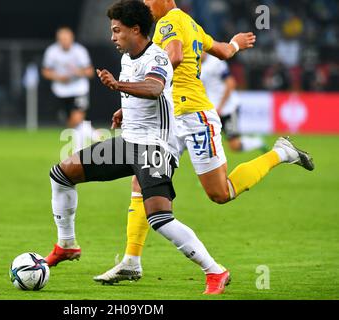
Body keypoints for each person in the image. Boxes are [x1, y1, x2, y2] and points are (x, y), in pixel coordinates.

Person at [93, 0, 314, 290]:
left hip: (194, 118)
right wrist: (235, 44)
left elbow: (173, 57)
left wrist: (142, 83)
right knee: (141, 182)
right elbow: (221, 51)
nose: (145, 4)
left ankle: (280, 153)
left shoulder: (170, 22)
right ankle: (131, 261)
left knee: (220, 193)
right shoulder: (191, 23)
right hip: (169, 119)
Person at [44, 0, 232, 295]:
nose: (112, 37)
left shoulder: (158, 57)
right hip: (128, 144)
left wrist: (118, 87)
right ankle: (67, 245)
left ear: (135, 30)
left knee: (159, 218)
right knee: (61, 173)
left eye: (117, 31)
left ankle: (215, 271)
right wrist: (124, 110)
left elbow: (154, 87)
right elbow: (146, 95)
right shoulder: (127, 57)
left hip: (155, 149)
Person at [42, 26, 99, 151]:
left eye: (66, 39)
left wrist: (78, 72)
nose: (64, 41)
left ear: (72, 38)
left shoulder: (79, 51)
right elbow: (45, 71)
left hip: (79, 89)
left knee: (76, 119)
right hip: (61, 91)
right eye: (61, 39)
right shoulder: (52, 52)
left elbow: (89, 72)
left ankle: (80, 149)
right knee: (72, 123)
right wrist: (57, 77)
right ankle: (95, 137)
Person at [200, 52, 267, 153]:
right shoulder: (196, 65)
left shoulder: (216, 63)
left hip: (228, 108)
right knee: (205, 139)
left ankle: (257, 142)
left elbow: (231, 83)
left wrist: (220, 107)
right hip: (213, 109)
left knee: (234, 145)